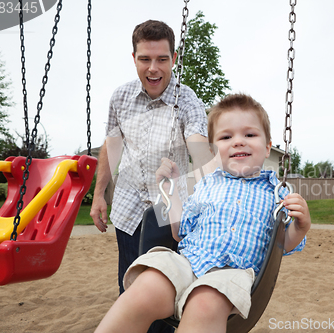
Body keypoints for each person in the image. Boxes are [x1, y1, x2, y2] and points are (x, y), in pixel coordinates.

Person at [95, 94, 311, 333]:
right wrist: (172, 191)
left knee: (204, 304)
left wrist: (300, 228)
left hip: (230, 274)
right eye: (227, 137)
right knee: (143, 288)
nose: (238, 142)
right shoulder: (207, 185)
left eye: (249, 134)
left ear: (268, 146)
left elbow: (281, 245)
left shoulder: (277, 193)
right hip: (187, 262)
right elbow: (179, 233)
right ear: (213, 150)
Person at [90, 20, 214, 333]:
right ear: (134, 58)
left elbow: (199, 147)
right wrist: (99, 195)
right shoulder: (120, 98)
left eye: (162, 59)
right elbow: (112, 147)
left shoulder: (187, 101)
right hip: (129, 206)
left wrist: (213, 178)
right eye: (145, 59)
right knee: (129, 287)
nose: (153, 68)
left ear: (174, 58)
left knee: (161, 296)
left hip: (166, 212)